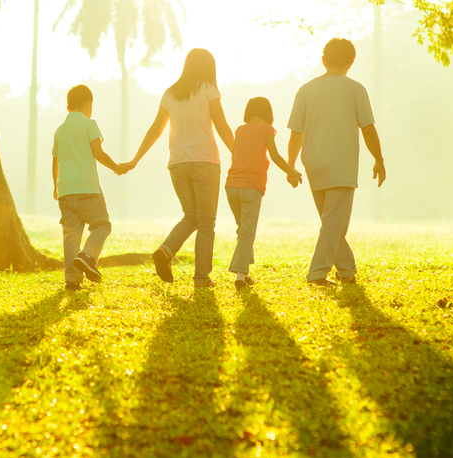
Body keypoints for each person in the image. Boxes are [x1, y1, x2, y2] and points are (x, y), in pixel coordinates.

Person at [120, 49, 235, 288]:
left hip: (177, 165)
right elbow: (222, 125)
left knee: (191, 217)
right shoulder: (209, 89)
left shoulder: (170, 93)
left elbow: (155, 130)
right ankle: (201, 278)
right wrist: (239, 154)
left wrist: (135, 159)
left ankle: (165, 251)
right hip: (205, 162)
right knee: (205, 222)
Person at [287, 38, 386, 287]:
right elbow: (368, 129)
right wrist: (379, 159)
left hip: (313, 163)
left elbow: (295, 133)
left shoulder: (306, 90)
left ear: (323, 60)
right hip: (341, 164)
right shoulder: (355, 89)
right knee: (334, 223)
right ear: (351, 63)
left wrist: (291, 165)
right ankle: (317, 274)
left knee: (331, 223)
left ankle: (347, 271)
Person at [52, 84, 126, 291]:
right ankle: (88, 255)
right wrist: (117, 167)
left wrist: (56, 187)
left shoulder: (59, 130)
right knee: (102, 225)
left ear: (68, 108)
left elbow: (55, 163)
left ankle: (72, 280)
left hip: (65, 191)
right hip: (88, 189)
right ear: (88, 104)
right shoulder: (90, 124)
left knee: (71, 234)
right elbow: (98, 153)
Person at [225, 96, 303, 290]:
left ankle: (245, 273)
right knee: (247, 233)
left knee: (243, 229)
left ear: (248, 112)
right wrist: (291, 171)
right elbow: (274, 155)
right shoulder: (267, 130)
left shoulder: (240, 130)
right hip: (251, 187)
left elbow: (235, 155)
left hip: (231, 186)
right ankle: (240, 276)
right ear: (268, 114)